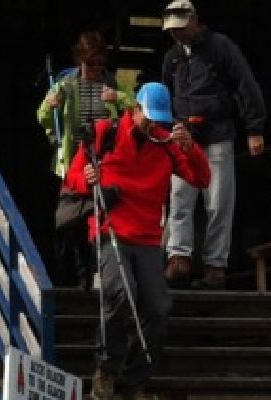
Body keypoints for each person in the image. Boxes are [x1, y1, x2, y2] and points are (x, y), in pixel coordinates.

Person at [63, 82, 212, 398]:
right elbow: (72, 180)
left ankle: (134, 379)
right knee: (120, 292)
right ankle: (106, 367)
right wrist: (87, 178)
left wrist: (190, 149)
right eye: (148, 117)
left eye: (159, 119)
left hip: (147, 238)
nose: (153, 124)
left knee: (159, 307)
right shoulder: (106, 132)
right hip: (109, 229)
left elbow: (201, 178)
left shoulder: (166, 142)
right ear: (135, 108)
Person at [160, 0, 268, 289]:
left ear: (195, 21)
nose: (178, 34)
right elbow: (165, 97)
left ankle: (215, 265)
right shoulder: (171, 58)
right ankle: (179, 257)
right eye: (174, 30)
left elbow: (246, 83)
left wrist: (254, 128)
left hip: (218, 133)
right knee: (179, 199)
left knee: (218, 202)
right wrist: (166, 132)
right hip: (183, 136)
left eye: (182, 28)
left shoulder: (221, 47)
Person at [41, 30, 136, 288]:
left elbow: (137, 112)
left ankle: (98, 271)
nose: (94, 69)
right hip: (73, 162)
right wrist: (51, 105)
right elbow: (44, 119)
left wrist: (118, 98)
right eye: (89, 63)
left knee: (102, 218)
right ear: (79, 61)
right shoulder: (65, 85)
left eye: (99, 63)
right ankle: (79, 271)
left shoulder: (112, 84)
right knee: (70, 221)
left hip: (106, 162)